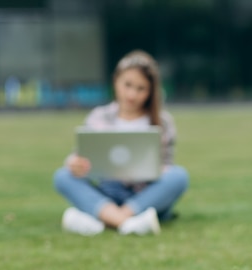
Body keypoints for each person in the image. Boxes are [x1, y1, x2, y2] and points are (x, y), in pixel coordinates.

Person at [53, 50, 189, 236]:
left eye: (141, 89)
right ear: (116, 81)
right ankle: (129, 223)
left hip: (144, 194)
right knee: (63, 176)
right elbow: (80, 155)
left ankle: (103, 219)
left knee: (179, 176)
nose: (132, 94)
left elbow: (167, 166)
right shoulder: (98, 116)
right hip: (107, 191)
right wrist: (75, 164)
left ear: (150, 92)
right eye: (127, 85)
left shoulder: (162, 122)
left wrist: (152, 170)